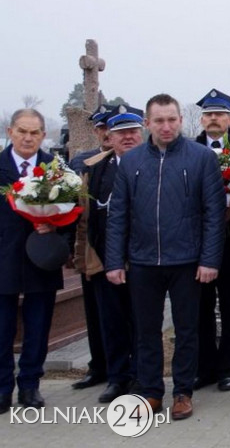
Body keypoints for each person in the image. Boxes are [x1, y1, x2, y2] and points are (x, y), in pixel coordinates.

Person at [105, 94, 225, 420]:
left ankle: (183, 391)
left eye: (172, 119)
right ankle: (150, 391)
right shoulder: (131, 162)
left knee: (187, 330)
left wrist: (209, 259)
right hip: (143, 261)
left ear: (181, 121)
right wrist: (114, 261)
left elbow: (213, 213)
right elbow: (119, 215)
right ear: (147, 123)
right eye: (159, 120)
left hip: (187, 260)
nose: (166, 126)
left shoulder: (201, 158)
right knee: (146, 331)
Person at [0, 109, 74, 414]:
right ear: (10, 131)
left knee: (38, 327)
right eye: (22, 131)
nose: (28, 138)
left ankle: (30, 385)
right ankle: (3, 388)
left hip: (40, 260)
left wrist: (55, 225)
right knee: (2, 329)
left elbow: (72, 215)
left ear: (44, 135)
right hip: (3, 259)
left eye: (34, 133)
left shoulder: (56, 169)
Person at [193, 89, 230, 393]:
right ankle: (204, 368)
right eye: (209, 114)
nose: (214, 119)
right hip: (199, 244)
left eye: (220, 114)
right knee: (201, 308)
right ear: (202, 119)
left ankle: (228, 369)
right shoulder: (188, 150)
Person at [87, 105, 144, 403]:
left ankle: (139, 375)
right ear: (110, 135)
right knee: (112, 321)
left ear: (142, 132)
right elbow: (92, 217)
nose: (128, 137)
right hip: (107, 259)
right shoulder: (98, 168)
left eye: (133, 131)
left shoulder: (153, 164)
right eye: (121, 133)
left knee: (142, 323)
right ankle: (117, 377)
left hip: (143, 260)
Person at [68, 104, 115, 391]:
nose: (108, 133)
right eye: (102, 127)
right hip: (92, 247)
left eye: (113, 126)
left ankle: (123, 368)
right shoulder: (83, 162)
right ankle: (98, 366)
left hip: (124, 253)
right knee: (95, 312)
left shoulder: (130, 160)